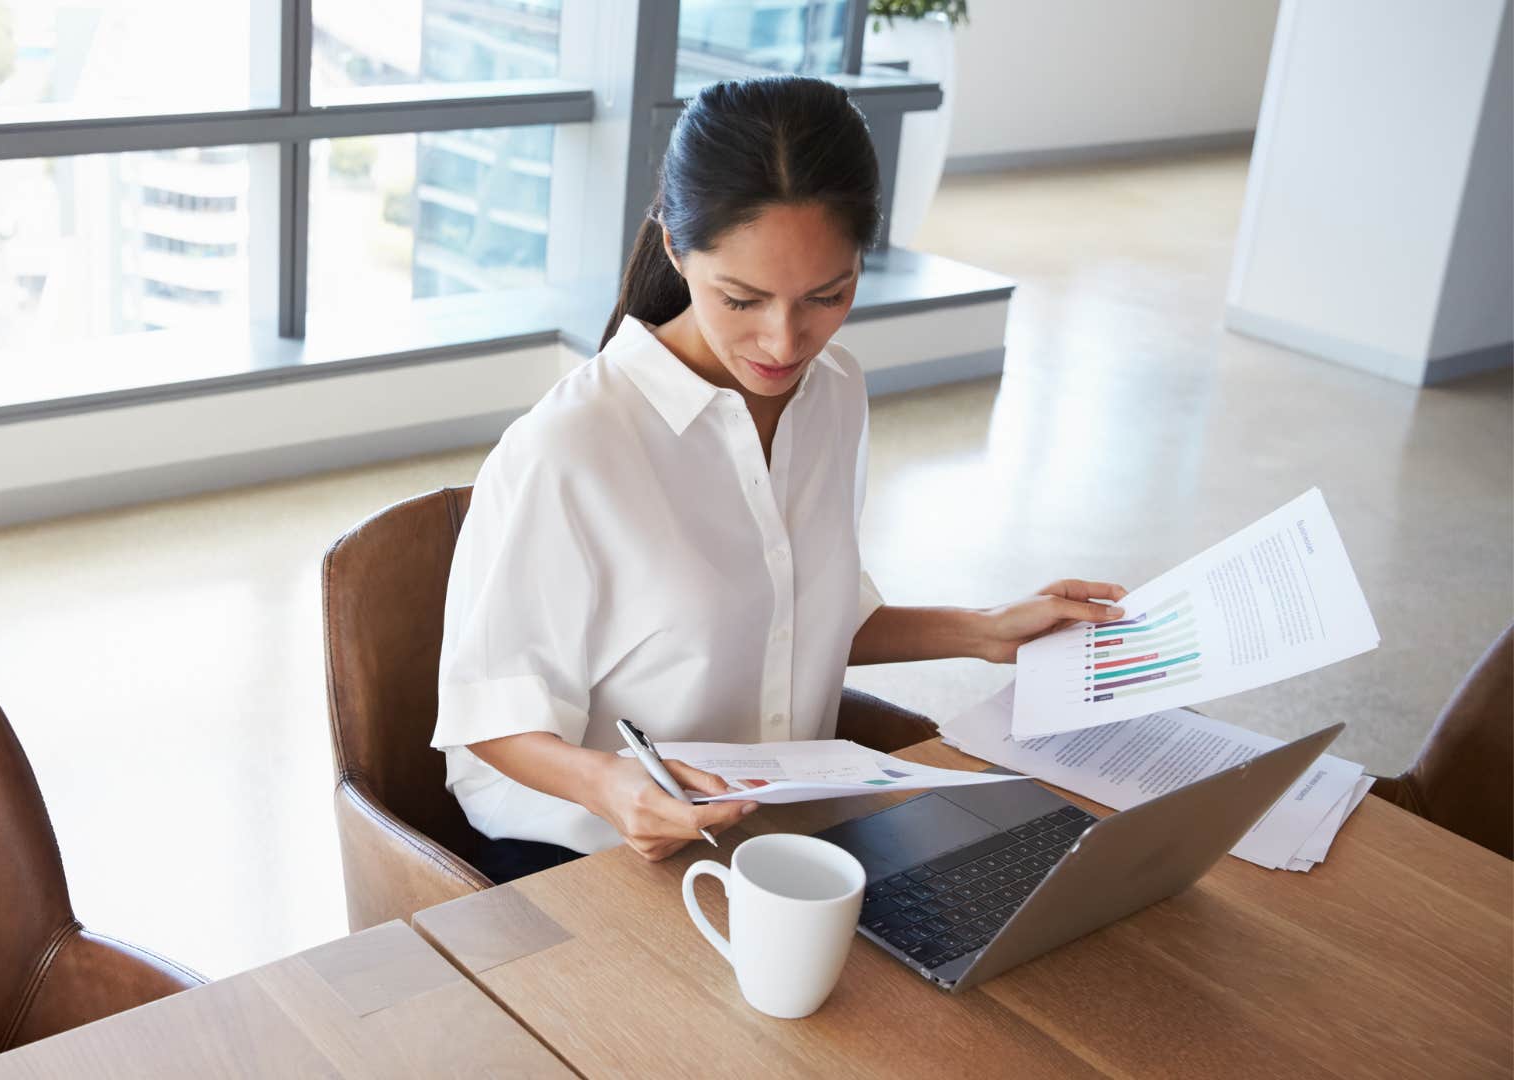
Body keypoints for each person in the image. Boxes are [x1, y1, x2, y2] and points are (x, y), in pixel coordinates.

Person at [430, 75, 1127, 885]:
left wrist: (986, 630)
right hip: (591, 855)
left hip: (783, 835)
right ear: (673, 249)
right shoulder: (571, 447)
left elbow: (795, 620)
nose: (784, 341)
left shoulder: (835, 390)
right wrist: (615, 787)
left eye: (828, 295)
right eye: (741, 299)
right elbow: (488, 717)